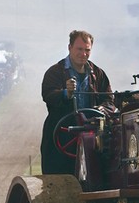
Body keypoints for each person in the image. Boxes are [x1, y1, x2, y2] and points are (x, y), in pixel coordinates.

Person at [40, 30, 114, 174]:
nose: (83, 54)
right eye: (79, 49)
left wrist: (101, 109)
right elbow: (48, 95)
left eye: (87, 50)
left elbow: (109, 100)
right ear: (69, 48)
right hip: (61, 139)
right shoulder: (55, 72)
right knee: (59, 179)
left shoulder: (98, 73)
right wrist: (65, 94)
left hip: (92, 140)